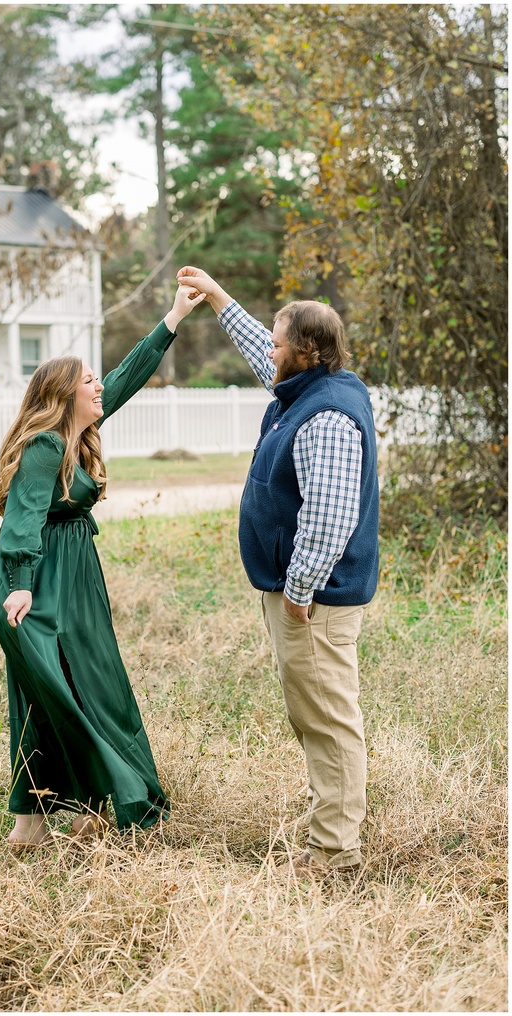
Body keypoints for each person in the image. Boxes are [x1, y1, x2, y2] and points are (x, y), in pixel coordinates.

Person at [0, 284, 206, 848]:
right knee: (60, 690)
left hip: (74, 575)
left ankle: (59, 813)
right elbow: (23, 521)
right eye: (88, 380)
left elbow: (127, 375)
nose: (100, 385)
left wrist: (174, 317)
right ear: (64, 394)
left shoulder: (80, 436)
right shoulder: (43, 447)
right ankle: (67, 810)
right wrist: (20, 586)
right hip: (35, 583)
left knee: (81, 685)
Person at [176, 266, 379, 875]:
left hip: (313, 598)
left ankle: (334, 854)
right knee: (315, 711)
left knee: (327, 717)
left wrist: (298, 588)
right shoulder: (314, 387)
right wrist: (217, 299)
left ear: (306, 351)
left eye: (277, 340)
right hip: (302, 592)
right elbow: (265, 363)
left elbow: (330, 515)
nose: (269, 349)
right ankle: (330, 825)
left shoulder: (329, 418)